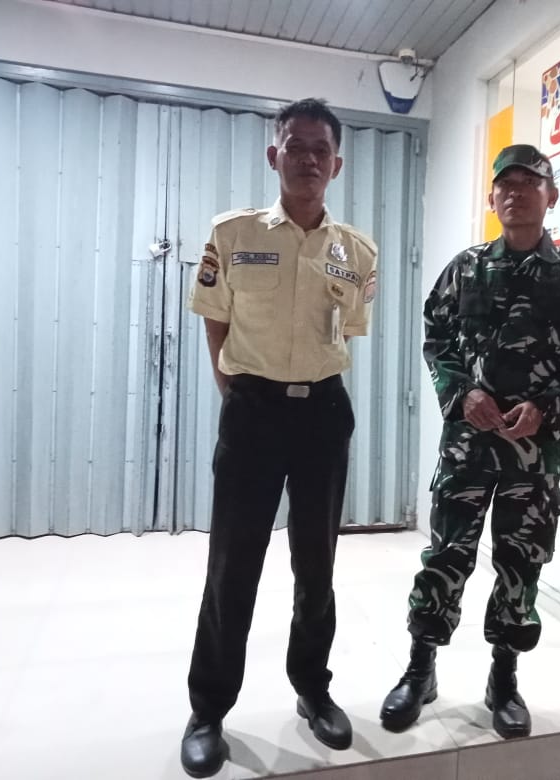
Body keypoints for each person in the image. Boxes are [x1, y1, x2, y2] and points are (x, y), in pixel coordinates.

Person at [379, 144, 560, 739]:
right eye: (505, 185)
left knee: (521, 561)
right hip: (467, 445)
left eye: (529, 183)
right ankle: (420, 669)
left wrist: (547, 407)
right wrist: (462, 394)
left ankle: (503, 679)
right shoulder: (465, 268)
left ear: (551, 196)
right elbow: (437, 337)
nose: (516, 193)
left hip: (532, 454)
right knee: (446, 555)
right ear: (492, 199)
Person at [180, 98, 378, 778]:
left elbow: (347, 331)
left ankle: (313, 688)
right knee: (233, 565)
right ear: (275, 155)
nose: (309, 159)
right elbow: (215, 322)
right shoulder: (232, 233)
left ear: (337, 164)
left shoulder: (358, 251)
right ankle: (208, 709)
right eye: (296, 146)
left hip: (323, 413)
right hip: (254, 411)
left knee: (316, 563)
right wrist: (237, 396)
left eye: (321, 149)